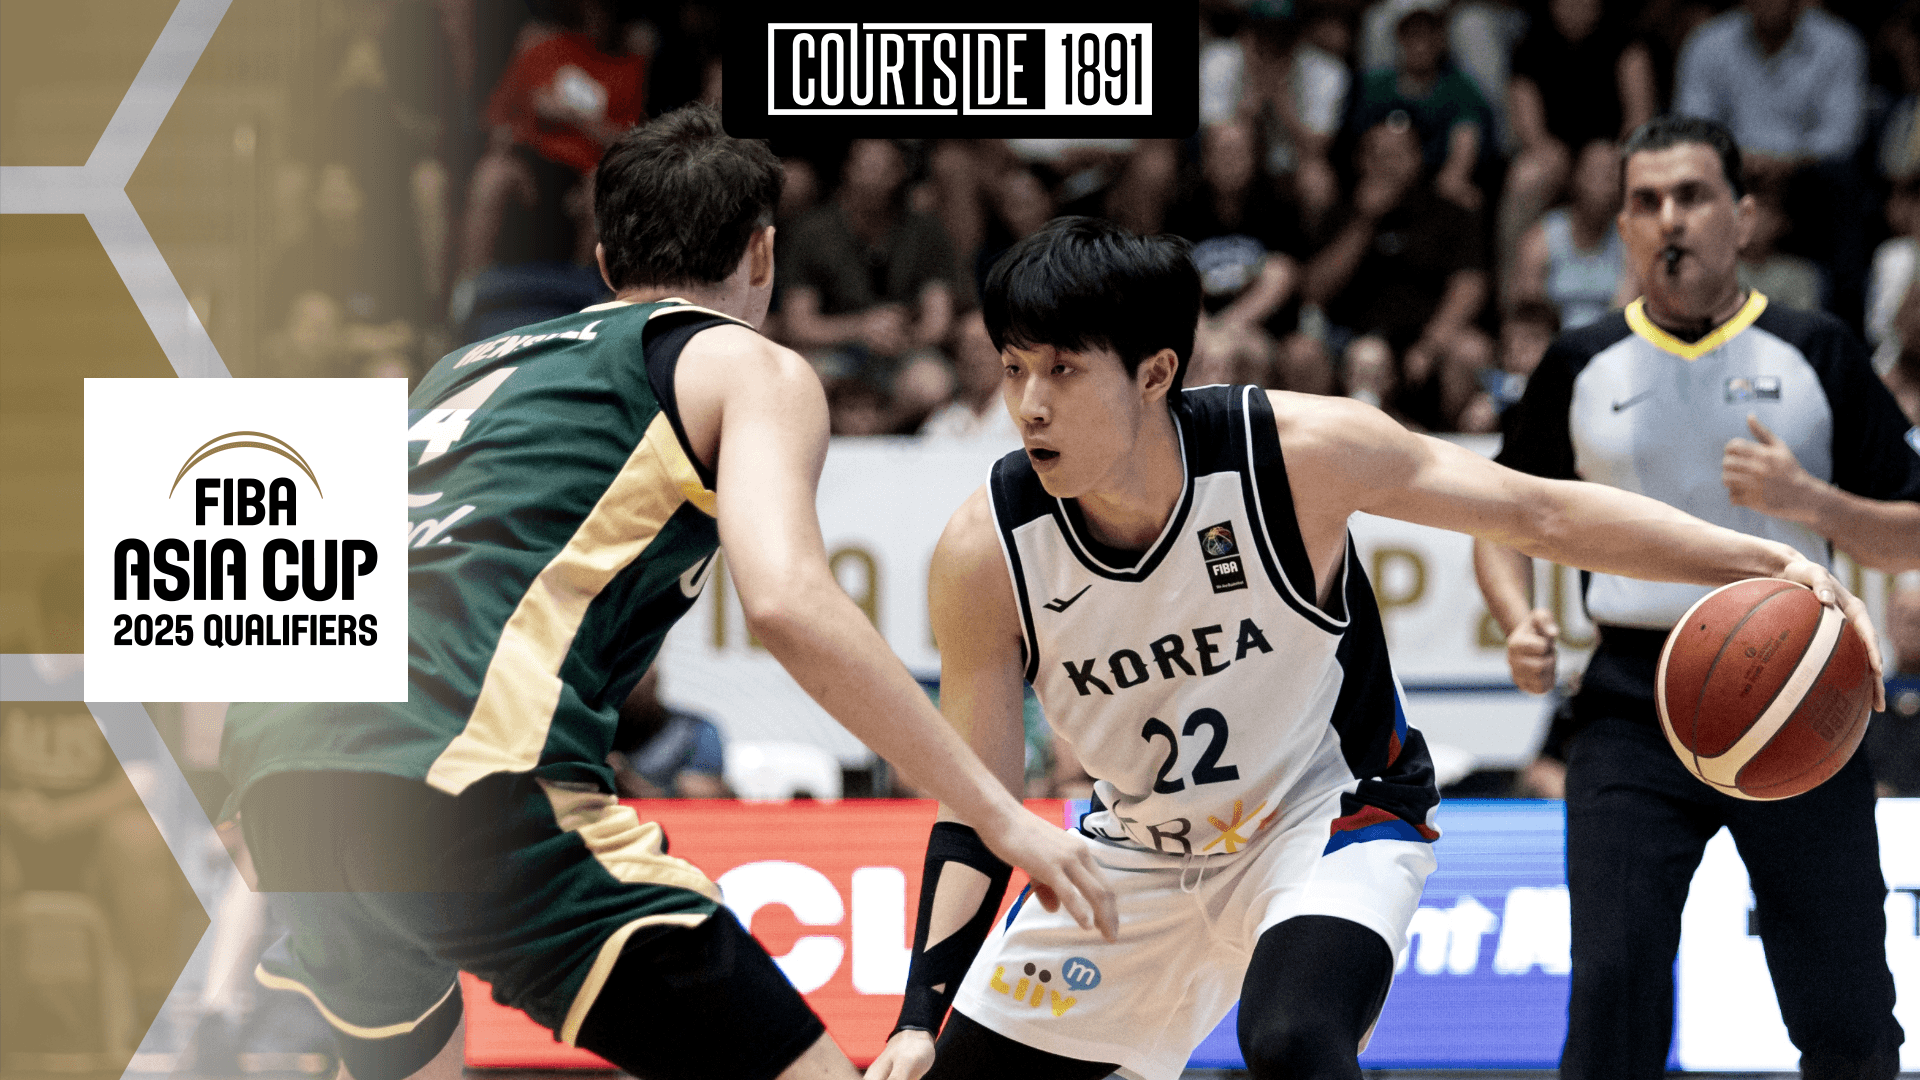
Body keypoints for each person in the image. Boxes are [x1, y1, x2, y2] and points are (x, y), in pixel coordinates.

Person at [862, 216, 1884, 1080]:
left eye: (1062, 369)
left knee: (1293, 1038)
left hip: (1328, 818)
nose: (1029, 404)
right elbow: (977, 800)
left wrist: (1760, 558)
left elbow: (1540, 513)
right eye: (1013, 368)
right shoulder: (985, 549)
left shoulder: (1297, 456)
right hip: (1135, 851)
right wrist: (917, 1015)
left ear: (1155, 373)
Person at [218, 105, 1116, 1080]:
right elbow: (787, 603)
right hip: (462, 773)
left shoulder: (461, 370)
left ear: (606, 260)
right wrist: (999, 812)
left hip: (280, 771)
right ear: (763, 253)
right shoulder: (745, 364)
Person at [1475, 115, 1920, 1079]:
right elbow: (1502, 520)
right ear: (1623, 228)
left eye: (1693, 196)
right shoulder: (1579, 361)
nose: (1670, 218)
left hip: (1803, 685)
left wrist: (1812, 501)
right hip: (1632, 702)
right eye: (1646, 201)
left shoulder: (1817, 348)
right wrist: (1519, 619)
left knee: (1848, 1013)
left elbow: (1912, 531)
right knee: (1612, 992)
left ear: (1743, 216)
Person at [606, 665, 727, 799]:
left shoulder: (694, 730)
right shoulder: (597, 731)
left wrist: (630, 784)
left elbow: (703, 794)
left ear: (655, 679)